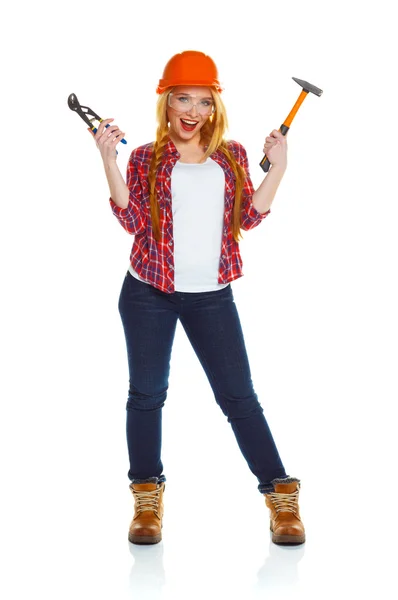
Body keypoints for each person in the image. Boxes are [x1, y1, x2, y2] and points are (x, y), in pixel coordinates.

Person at [88, 50, 306, 547]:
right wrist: (108, 161)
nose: (192, 110)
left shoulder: (231, 155)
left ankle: (281, 496)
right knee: (147, 394)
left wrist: (280, 167)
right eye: (182, 98)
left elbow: (250, 216)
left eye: (203, 101)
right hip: (148, 293)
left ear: (215, 107)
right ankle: (146, 497)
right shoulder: (145, 156)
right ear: (166, 102)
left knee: (239, 398)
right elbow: (131, 222)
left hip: (211, 297)